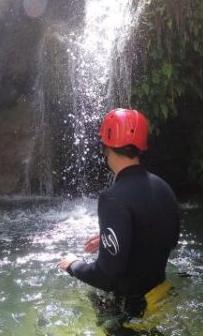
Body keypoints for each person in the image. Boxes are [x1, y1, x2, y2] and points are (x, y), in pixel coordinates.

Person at [58, 108, 180, 319]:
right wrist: (115, 240)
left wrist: (73, 265)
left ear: (106, 147)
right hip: (163, 296)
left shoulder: (112, 198)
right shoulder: (163, 187)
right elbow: (170, 239)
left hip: (132, 313)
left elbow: (107, 277)